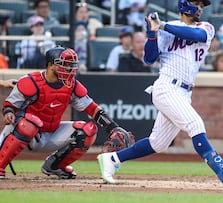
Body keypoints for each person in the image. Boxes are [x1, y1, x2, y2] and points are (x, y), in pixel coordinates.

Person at [97, 0, 223, 187]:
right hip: (167, 87)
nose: (200, 7)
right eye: (197, 3)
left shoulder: (206, 27)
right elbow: (149, 58)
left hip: (184, 92)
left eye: (202, 5)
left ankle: (112, 159)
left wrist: (161, 26)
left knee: (158, 143)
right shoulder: (167, 29)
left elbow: (195, 34)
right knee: (195, 124)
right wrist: (152, 34)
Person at [0, 46, 130, 179]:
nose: (69, 69)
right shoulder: (31, 81)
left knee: (87, 130)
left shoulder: (71, 85)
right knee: (29, 124)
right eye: (65, 65)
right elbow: (10, 105)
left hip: (50, 133)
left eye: (71, 65)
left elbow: (92, 108)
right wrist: (9, 113)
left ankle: (55, 166)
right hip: (23, 133)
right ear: (50, 65)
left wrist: (112, 127)